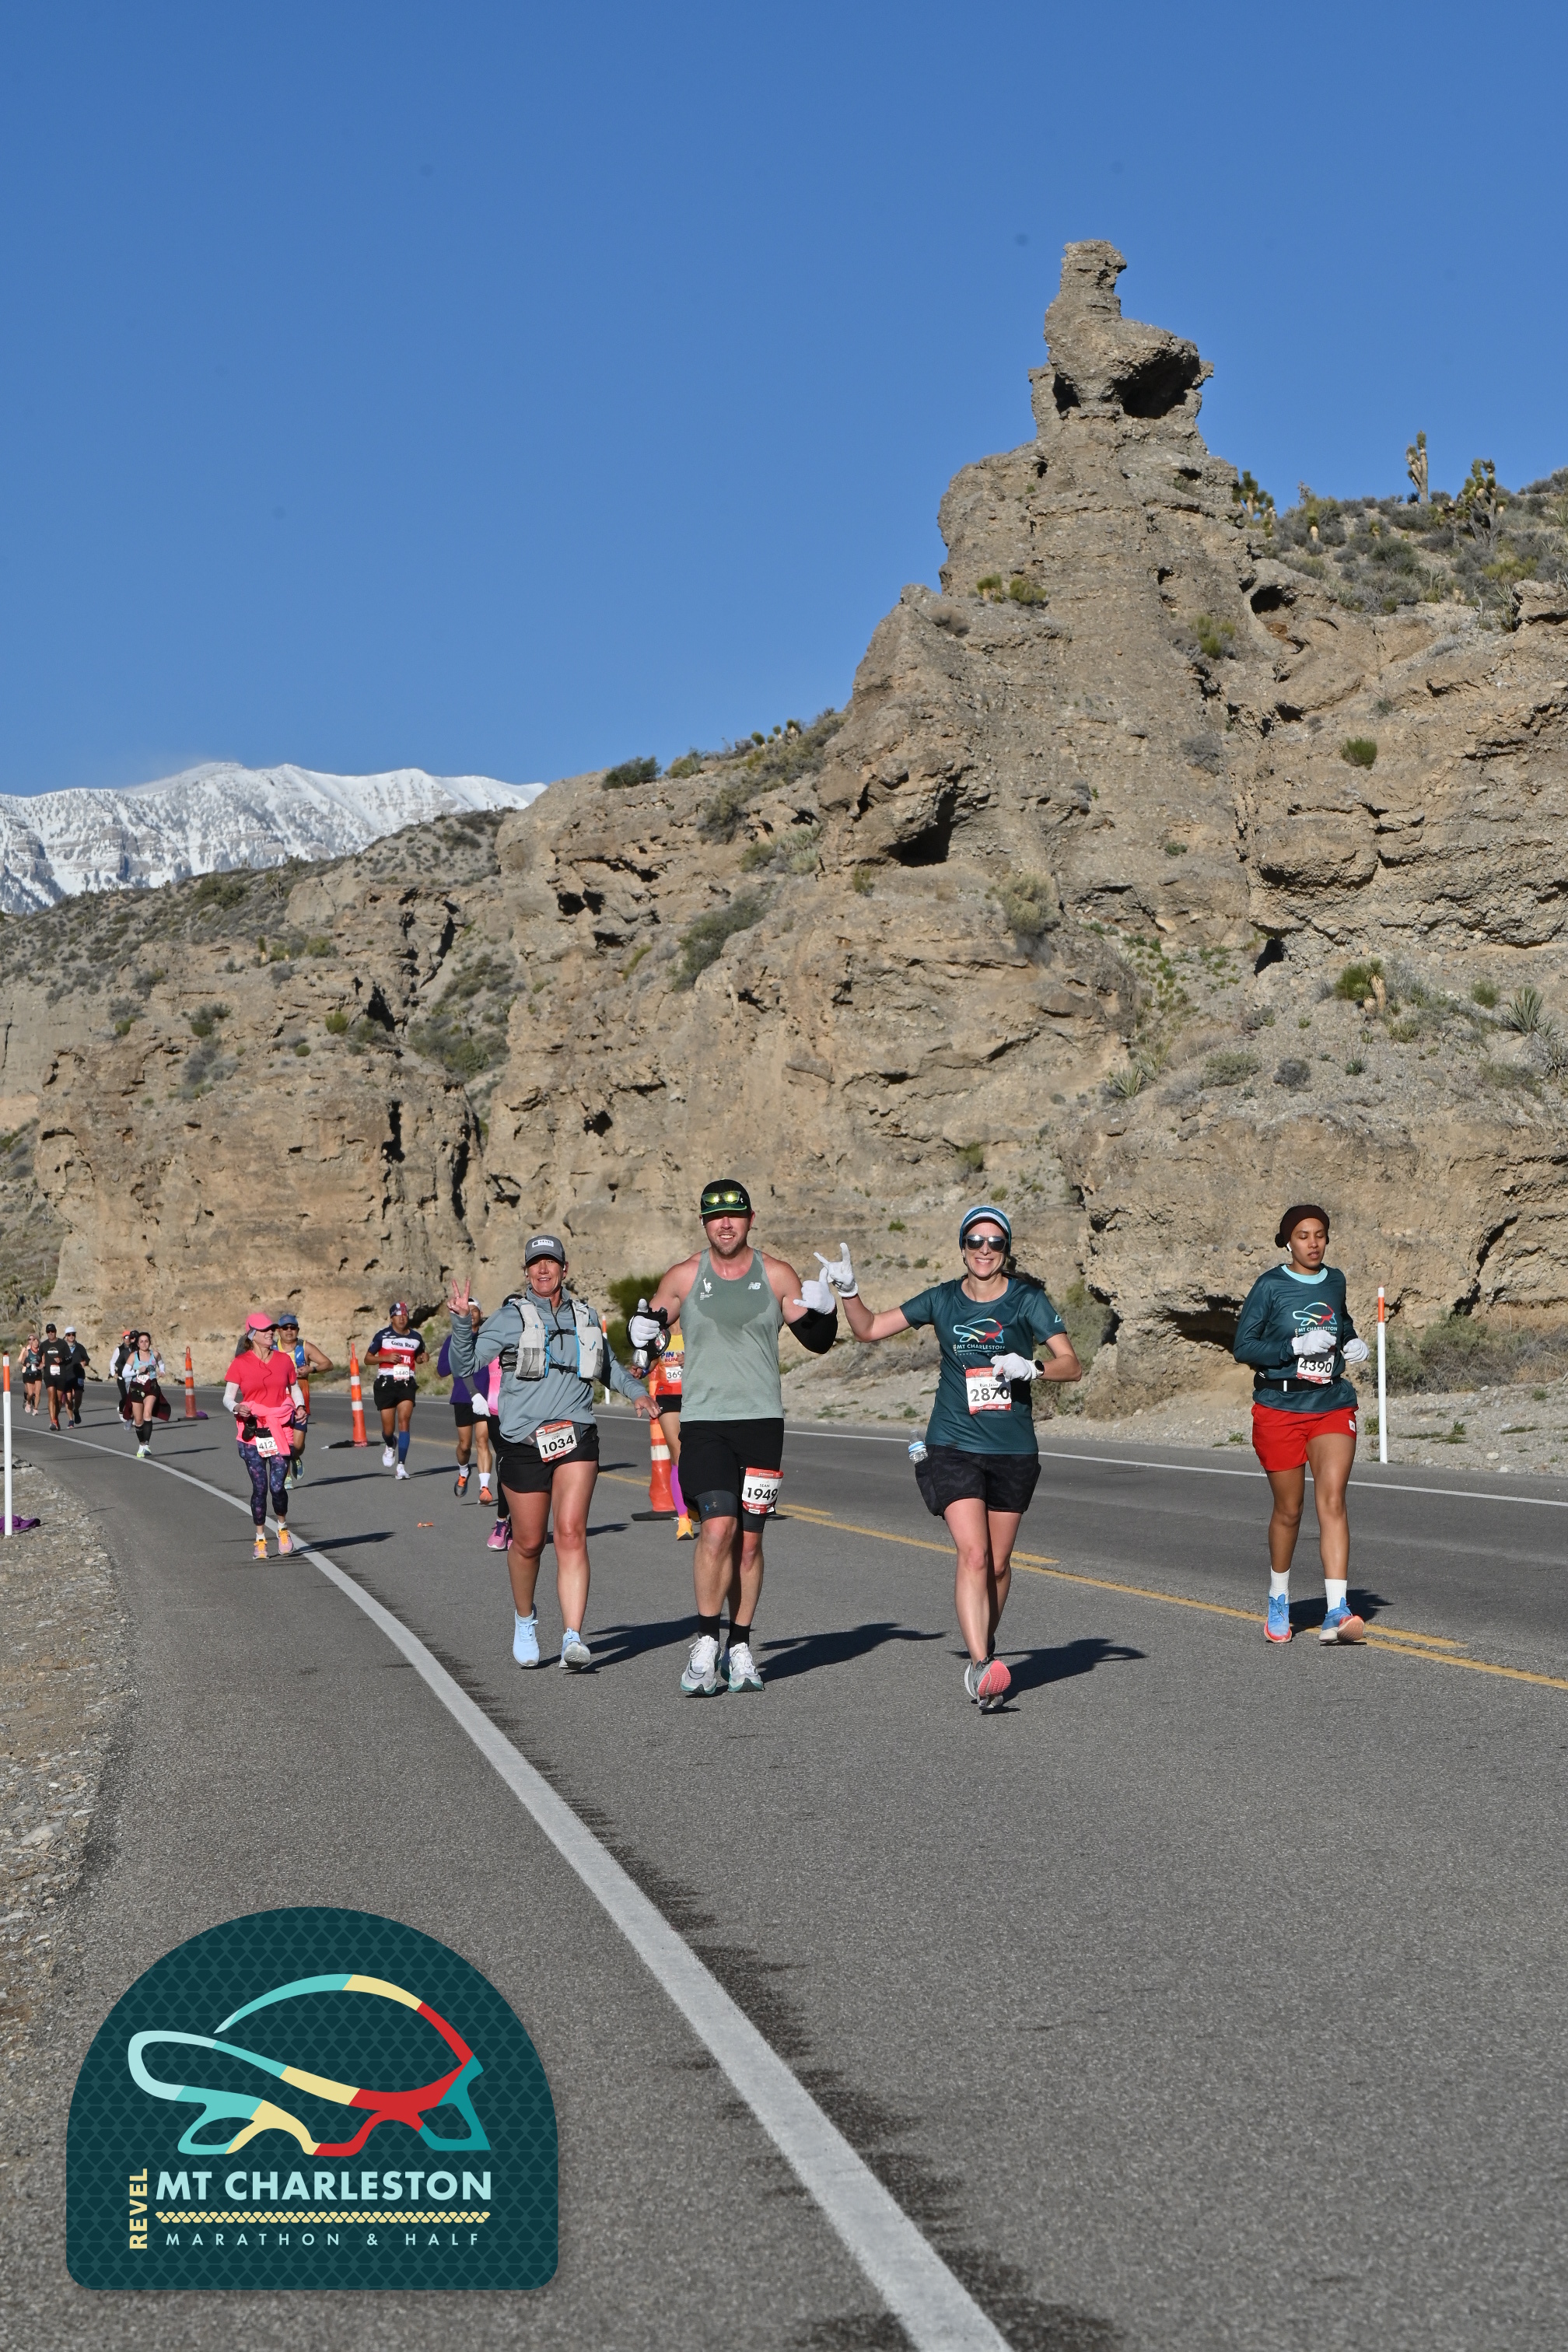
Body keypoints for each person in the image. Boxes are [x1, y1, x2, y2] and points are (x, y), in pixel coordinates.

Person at [826, 1206, 1081, 1712]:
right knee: (975, 1555)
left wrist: (1031, 1367)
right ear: (963, 1248)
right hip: (952, 1443)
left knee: (999, 1566)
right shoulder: (942, 1299)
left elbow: (1071, 1365)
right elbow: (869, 1329)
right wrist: (849, 1292)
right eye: (975, 1241)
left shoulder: (1027, 1300)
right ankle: (982, 1665)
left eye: (995, 1242)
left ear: (1006, 1249)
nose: (985, 1250)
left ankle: (985, 1645)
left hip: (1012, 1448)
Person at [632, 1178, 840, 1699]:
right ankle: (706, 1642)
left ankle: (740, 1645)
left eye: (735, 1215)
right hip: (705, 1423)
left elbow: (817, 1342)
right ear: (704, 1223)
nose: (726, 1224)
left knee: (749, 1542)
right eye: (715, 1216)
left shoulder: (776, 1274)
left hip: (762, 1423)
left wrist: (828, 1310)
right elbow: (649, 1342)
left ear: (750, 1220)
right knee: (718, 1527)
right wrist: (641, 1337)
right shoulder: (684, 1276)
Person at [447, 1233, 653, 1671]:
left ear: (564, 1268)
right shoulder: (508, 1318)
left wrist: (637, 1392)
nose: (543, 1269)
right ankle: (525, 1620)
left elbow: (608, 1366)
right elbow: (464, 1365)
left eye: (551, 1262)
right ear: (526, 1272)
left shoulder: (586, 1316)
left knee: (571, 1532)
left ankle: (573, 1637)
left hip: (576, 1435)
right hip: (522, 1441)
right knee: (527, 1543)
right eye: (535, 1263)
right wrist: (463, 1323)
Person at [1233, 1203, 1370, 1645]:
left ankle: (1337, 1610)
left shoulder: (1335, 1280)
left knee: (1332, 1500)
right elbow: (1244, 1346)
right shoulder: (1270, 1285)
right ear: (1288, 1241)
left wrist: (1352, 1341)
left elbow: (1340, 1321)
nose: (1313, 1243)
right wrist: (1294, 1346)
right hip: (1280, 1407)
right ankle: (1279, 1599)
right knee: (1289, 1510)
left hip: (1331, 1403)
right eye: (1303, 1235)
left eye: (1320, 1235)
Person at [222, 1313, 307, 1559]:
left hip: (280, 1428)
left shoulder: (283, 1360)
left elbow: (294, 1388)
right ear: (252, 1335)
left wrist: (300, 1406)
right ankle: (260, 1539)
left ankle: (282, 1529)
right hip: (252, 1432)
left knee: (277, 1487)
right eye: (265, 1330)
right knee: (260, 1488)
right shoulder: (240, 1363)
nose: (271, 1333)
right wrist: (237, 1407)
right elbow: (228, 1397)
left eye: (272, 1329)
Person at [437, 1301, 503, 1521]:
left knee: (482, 1441)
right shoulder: (453, 1340)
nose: (472, 1315)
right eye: (469, 1311)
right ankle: (464, 1471)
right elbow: (442, 1371)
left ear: (481, 1313)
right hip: (463, 1397)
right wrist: (457, 1353)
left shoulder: (488, 1339)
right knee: (465, 1446)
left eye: (475, 1311)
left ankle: (484, 1488)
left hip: (486, 1398)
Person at [366, 1301, 427, 1478]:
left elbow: (419, 1357)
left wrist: (423, 1357)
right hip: (386, 1384)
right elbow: (368, 1359)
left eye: (405, 1315)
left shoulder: (416, 1337)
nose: (402, 1318)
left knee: (404, 1422)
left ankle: (401, 1466)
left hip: (406, 1383)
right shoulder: (382, 1336)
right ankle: (390, 1443)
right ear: (392, 1318)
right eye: (398, 1315)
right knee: (388, 1430)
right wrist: (385, 1358)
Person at [275, 1314, 332, 1486]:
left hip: (300, 1404)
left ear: (298, 1330)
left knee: (298, 1445)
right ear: (279, 1331)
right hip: (278, 1404)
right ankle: (285, 1476)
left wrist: (311, 1369)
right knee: (282, 1442)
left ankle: (296, 1457)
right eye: (285, 1328)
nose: (289, 1331)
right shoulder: (271, 1349)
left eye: (292, 1327)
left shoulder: (305, 1347)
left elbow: (328, 1364)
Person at [646, 1329, 692, 1539]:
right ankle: (684, 1519)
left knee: (700, 1454)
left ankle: (694, 1502)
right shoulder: (660, 1335)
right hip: (668, 1397)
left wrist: (692, 1360)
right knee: (679, 1455)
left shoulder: (695, 1327)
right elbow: (650, 1363)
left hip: (695, 1396)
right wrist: (640, 1368)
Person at [121, 1332, 166, 1458]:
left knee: (147, 1413)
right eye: (141, 1341)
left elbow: (161, 1364)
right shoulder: (133, 1356)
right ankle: (141, 1444)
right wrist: (137, 1371)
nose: (144, 1344)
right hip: (137, 1388)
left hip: (151, 1387)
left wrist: (162, 1371)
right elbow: (124, 1373)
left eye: (146, 1341)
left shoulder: (155, 1354)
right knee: (138, 1420)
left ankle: (146, 1444)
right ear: (138, 1343)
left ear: (150, 1342)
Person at [40, 1324, 68, 1430]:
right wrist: (39, 1363)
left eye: (52, 1331)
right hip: (49, 1375)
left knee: (59, 1400)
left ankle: (55, 1418)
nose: (50, 1333)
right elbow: (38, 1356)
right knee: (51, 1396)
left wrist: (61, 1360)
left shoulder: (62, 1343)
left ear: (55, 1332)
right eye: (48, 1332)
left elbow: (69, 1357)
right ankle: (53, 1421)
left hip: (61, 1374)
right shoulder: (44, 1345)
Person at [60, 1325, 90, 1424]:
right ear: (66, 1336)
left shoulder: (80, 1347)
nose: (71, 1336)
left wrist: (84, 1362)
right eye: (69, 1335)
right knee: (68, 1398)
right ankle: (71, 1420)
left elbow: (87, 1359)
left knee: (78, 1396)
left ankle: (76, 1410)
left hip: (78, 1375)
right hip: (66, 1375)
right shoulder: (62, 1348)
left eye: (73, 1334)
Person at [21, 1331, 41, 1417]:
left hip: (37, 1374)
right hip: (28, 1373)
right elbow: (22, 1361)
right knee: (30, 1393)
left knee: (37, 1393)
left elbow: (43, 1361)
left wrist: (41, 1366)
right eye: (33, 1341)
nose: (35, 1342)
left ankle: (36, 1409)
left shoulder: (41, 1351)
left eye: (36, 1341)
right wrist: (26, 1363)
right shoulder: (27, 1351)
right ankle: (28, 1402)